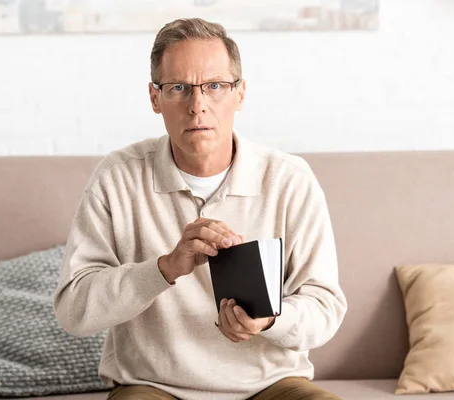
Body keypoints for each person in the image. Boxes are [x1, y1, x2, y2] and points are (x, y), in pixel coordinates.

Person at [53, 17, 347, 400]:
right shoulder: (118, 178)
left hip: (272, 385)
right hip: (153, 386)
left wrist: (271, 320)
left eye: (215, 86)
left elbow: (324, 308)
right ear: (155, 98)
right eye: (178, 88)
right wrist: (164, 268)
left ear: (240, 94)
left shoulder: (289, 179)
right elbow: (73, 310)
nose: (198, 106)